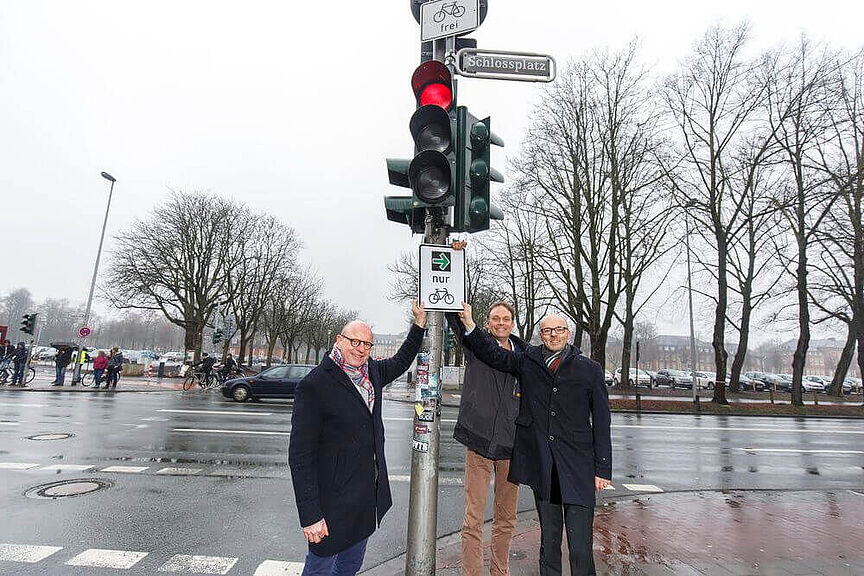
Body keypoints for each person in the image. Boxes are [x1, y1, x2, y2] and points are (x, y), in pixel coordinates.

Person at [457, 304, 612, 576]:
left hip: (578, 466)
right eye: (548, 331)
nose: (554, 335)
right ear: (541, 335)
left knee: (580, 547)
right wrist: (465, 321)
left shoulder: (590, 369)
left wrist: (602, 469)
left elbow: (601, 421)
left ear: (569, 334)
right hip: (545, 467)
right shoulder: (529, 360)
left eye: (559, 330)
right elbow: (493, 354)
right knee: (548, 544)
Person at [289, 301, 427, 576]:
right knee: (320, 568)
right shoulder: (315, 385)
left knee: (349, 567)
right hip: (331, 502)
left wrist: (419, 325)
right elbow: (300, 457)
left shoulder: (371, 372)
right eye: (355, 341)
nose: (361, 348)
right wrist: (311, 516)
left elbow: (401, 361)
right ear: (339, 341)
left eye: (367, 344)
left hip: (363, 497)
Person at [446, 302, 525, 576]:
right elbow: (457, 321)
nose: (501, 323)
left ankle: (500, 571)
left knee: (506, 519)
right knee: (473, 519)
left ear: (513, 323)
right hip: (479, 442)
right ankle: (472, 573)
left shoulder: (525, 354)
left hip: (511, 447)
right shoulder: (476, 343)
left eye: (506, 319)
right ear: (488, 323)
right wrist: (450, 285)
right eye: (495, 319)